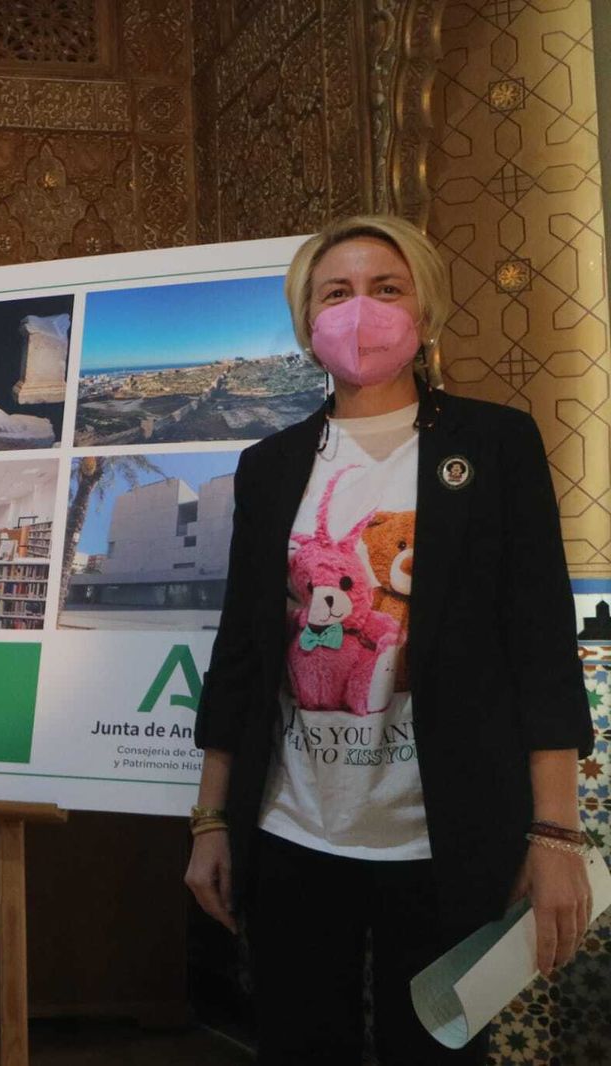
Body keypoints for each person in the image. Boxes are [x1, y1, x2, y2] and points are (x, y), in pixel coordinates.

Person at [183, 214, 595, 1065]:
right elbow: (244, 652)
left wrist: (555, 836)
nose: (360, 311)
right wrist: (211, 819)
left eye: (386, 288)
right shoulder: (270, 465)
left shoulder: (496, 445)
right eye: (336, 293)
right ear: (307, 323)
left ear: (425, 311)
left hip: (445, 837)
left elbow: (541, 646)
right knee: (300, 1046)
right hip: (294, 830)